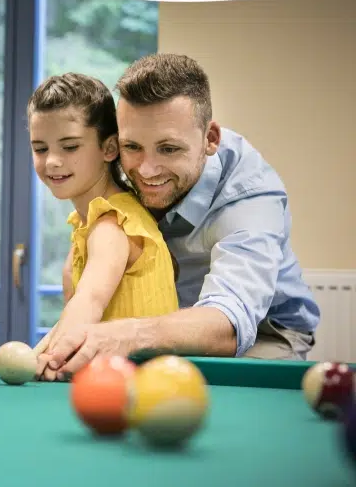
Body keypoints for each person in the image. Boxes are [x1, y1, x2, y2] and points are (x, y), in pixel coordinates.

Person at [39, 53, 319, 379]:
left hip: (264, 333)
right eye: (132, 147)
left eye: (169, 149)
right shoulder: (126, 162)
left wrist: (126, 334)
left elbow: (229, 323)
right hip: (160, 326)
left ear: (210, 139)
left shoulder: (249, 199)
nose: (145, 170)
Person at [25, 73, 178, 373]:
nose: (52, 161)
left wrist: (48, 359)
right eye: (40, 148)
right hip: (108, 385)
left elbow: (90, 302)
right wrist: (36, 356)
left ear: (109, 149)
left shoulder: (113, 224)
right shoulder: (86, 225)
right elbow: (76, 317)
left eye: (69, 147)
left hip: (140, 392)